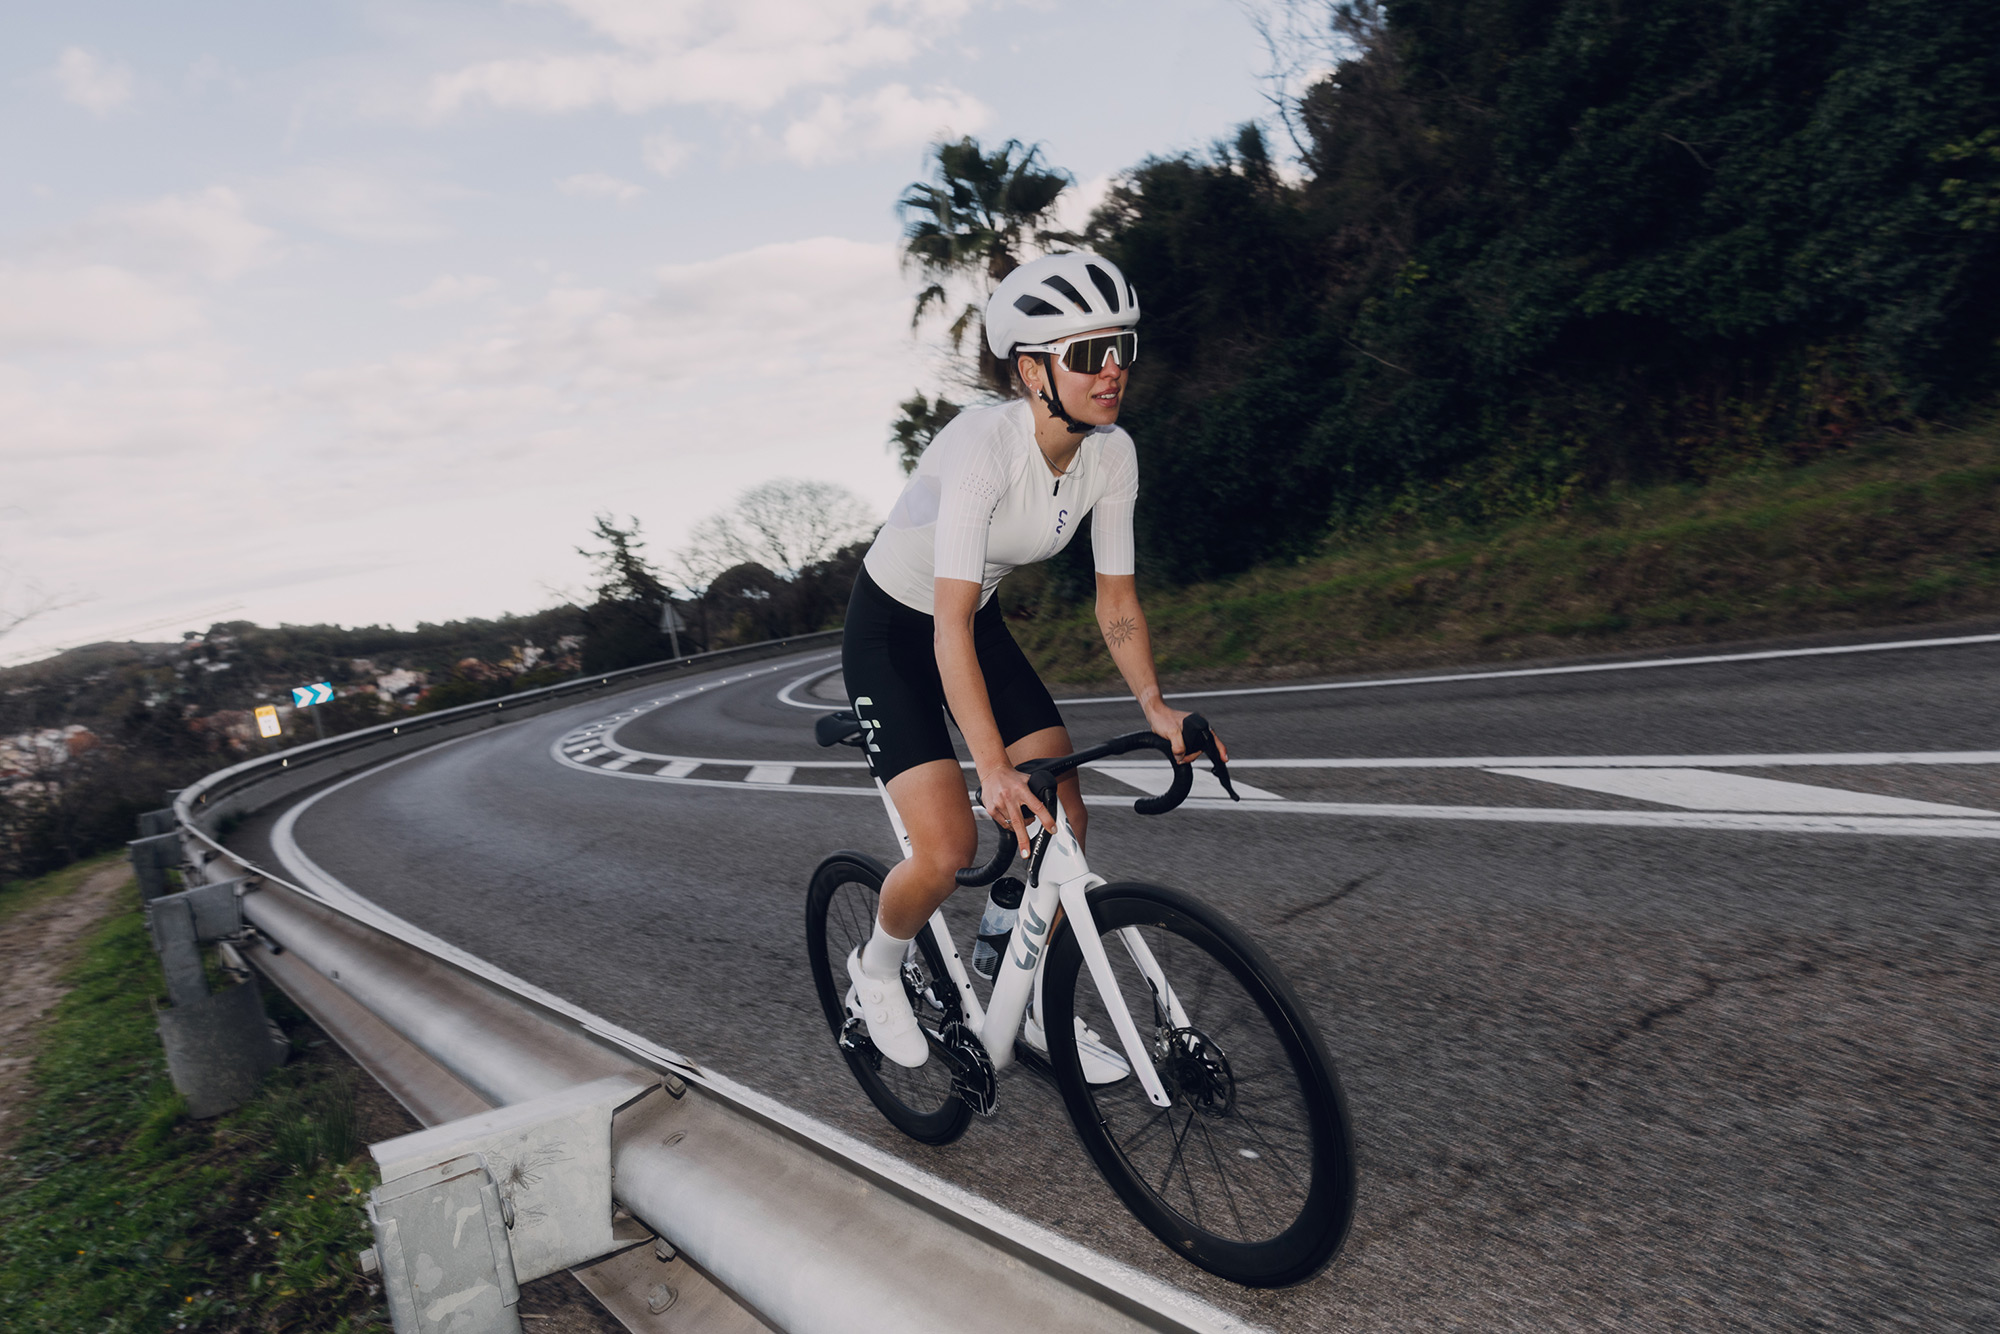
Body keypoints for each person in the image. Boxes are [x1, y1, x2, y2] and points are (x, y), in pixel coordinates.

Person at [841, 250, 1224, 1067]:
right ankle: (874, 969)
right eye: (1088, 353)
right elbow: (943, 626)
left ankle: (1032, 995)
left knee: (1063, 818)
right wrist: (992, 769)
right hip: (894, 632)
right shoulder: (985, 446)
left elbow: (1115, 602)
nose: (1112, 369)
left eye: (1121, 347)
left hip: (973, 623)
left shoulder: (1111, 454)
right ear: (1031, 371)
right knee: (947, 851)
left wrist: (1156, 707)